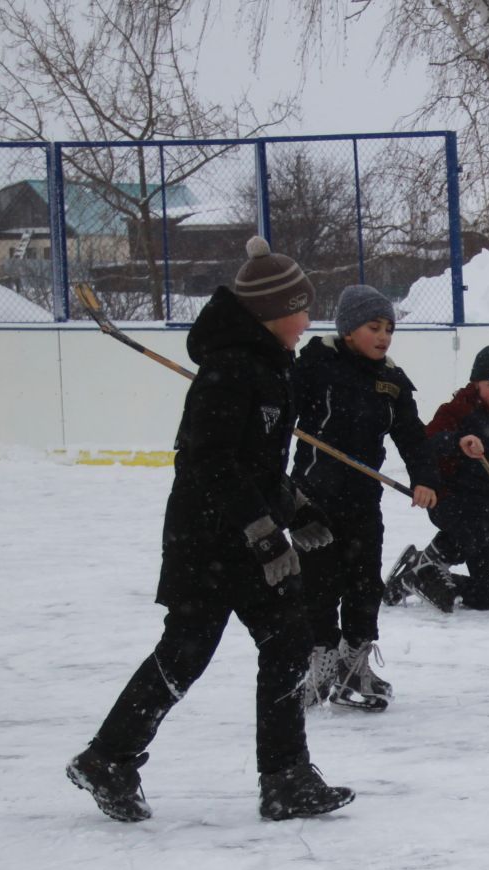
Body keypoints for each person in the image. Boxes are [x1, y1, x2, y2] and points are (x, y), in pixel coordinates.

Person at [66, 237, 354, 823]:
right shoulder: (229, 371)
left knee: (266, 642)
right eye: (301, 308)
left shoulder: (268, 366)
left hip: (234, 535)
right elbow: (210, 464)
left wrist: (294, 507)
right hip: (208, 540)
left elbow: (256, 463)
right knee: (210, 647)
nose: (307, 320)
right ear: (274, 311)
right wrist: (263, 531)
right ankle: (119, 759)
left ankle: (276, 774)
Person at [289, 284, 429, 712]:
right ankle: (321, 664)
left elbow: (412, 435)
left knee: (365, 583)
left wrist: (425, 478)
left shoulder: (391, 380)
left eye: (389, 328)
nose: (384, 336)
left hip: (363, 501)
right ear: (349, 329)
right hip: (312, 500)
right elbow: (277, 414)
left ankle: (355, 663)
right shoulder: (315, 365)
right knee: (319, 586)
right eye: (374, 327)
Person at [383, 344, 489, 613]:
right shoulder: (456, 411)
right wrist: (458, 440)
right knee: (482, 525)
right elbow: (426, 442)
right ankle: (426, 567)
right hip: (451, 501)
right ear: (476, 383)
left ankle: (413, 577)